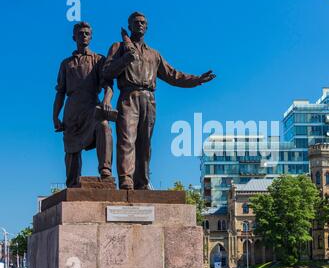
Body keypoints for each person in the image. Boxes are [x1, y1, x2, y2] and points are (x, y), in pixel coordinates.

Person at [103, 12, 215, 190]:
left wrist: (197, 80)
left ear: (146, 27)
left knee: (145, 143)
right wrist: (125, 59)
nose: (139, 25)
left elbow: (173, 75)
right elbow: (107, 72)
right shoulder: (118, 47)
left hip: (149, 99)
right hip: (128, 96)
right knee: (127, 139)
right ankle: (126, 179)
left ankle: (142, 181)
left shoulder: (154, 54)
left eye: (143, 23)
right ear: (130, 26)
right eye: (136, 22)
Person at [53, 22, 114, 187]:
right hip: (72, 110)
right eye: (80, 33)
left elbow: (108, 85)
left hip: (91, 108)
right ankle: (72, 183)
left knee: (104, 127)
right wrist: (55, 117)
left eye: (87, 33)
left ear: (91, 36)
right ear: (74, 37)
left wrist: (106, 101)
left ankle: (105, 170)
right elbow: (60, 91)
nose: (84, 36)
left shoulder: (99, 60)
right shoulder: (66, 64)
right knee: (71, 150)